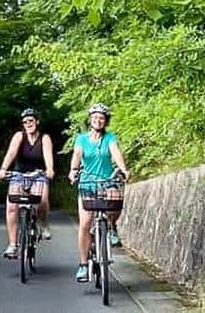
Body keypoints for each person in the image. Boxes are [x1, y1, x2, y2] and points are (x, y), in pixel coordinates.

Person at [68, 103, 130, 282]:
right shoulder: (82, 139)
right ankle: (83, 264)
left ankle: (111, 226)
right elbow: (77, 155)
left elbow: (115, 152)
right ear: (90, 119)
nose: (98, 120)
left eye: (101, 118)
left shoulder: (110, 137)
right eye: (95, 117)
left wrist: (123, 169)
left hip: (107, 180)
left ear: (106, 121)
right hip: (87, 183)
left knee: (116, 200)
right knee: (85, 223)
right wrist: (73, 170)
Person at [0, 108, 55, 258]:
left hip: (38, 174)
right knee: (11, 207)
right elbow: (11, 153)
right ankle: (12, 245)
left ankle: (43, 223)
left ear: (37, 121)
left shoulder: (44, 138)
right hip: (19, 174)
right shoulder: (19, 136)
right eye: (25, 122)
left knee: (42, 200)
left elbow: (48, 156)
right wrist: (4, 169)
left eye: (31, 121)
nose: (28, 124)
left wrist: (49, 169)